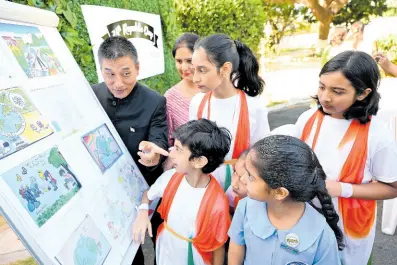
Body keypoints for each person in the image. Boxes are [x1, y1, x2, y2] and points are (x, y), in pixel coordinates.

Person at [276, 51, 397, 265]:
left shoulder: (377, 134)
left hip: (349, 231)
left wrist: (342, 189)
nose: (325, 97)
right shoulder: (308, 118)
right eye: (322, 87)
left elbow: (392, 187)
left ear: (362, 94)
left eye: (337, 91)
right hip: (303, 220)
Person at [91, 36, 168, 265]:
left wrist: (152, 156)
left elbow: (158, 143)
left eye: (126, 73)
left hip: (141, 190)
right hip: (102, 191)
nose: (118, 83)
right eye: (109, 74)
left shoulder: (155, 102)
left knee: (147, 246)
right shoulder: (91, 95)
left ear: (137, 68)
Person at [228, 135, 343, 265]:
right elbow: (235, 249)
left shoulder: (322, 235)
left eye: (250, 176)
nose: (242, 179)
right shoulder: (245, 207)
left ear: (280, 192)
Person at [132, 119, 232, 265]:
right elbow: (148, 194)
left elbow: (218, 247)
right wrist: (142, 211)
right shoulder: (171, 178)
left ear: (199, 161)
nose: (171, 154)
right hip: (165, 252)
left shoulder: (218, 204)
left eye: (178, 149)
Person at [189, 34, 270, 207]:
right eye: (194, 69)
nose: (195, 78)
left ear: (225, 69)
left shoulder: (253, 106)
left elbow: (263, 154)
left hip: (240, 190)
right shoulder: (197, 103)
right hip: (203, 187)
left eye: (202, 70)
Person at [165, 33, 200, 147]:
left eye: (189, 61)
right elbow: (168, 141)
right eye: (179, 61)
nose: (184, 68)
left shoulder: (215, 91)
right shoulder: (170, 97)